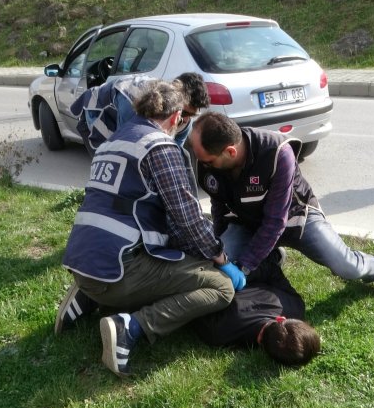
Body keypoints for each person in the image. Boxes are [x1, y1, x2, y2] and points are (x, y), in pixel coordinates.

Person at [58, 80, 246, 377]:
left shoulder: (112, 142)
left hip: (84, 260)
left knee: (178, 257)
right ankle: (130, 327)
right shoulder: (160, 147)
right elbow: (187, 220)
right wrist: (221, 258)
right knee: (220, 287)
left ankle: (87, 294)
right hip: (118, 270)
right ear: (175, 117)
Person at [189, 111, 374, 290]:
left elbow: (275, 222)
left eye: (207, 160)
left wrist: (245, 265)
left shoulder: (277, 152)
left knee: (346, 266)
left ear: (230, 152)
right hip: (246, 222)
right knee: (217, 268)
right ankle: (271, 256)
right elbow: (218, 207)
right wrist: (221, 250)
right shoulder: (207, 163)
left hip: (296, 219)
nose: (202, 164)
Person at [192, 250, 321, 366]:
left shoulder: (295, 306)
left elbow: (271, 269)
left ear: (281, 318)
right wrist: (239, 274)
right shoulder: (218, 334)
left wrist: (238, 276)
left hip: (212, 262)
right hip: (234, 261)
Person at [70, 72, 209, 157]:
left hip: (127, 116)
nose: (185, 119)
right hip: (100, 112)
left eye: (192, 115)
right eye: (183, 112)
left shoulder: (185, 119)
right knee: (109, 161)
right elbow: (124, 145)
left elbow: (173, 152)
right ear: (174, 95)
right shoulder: (134, 99)